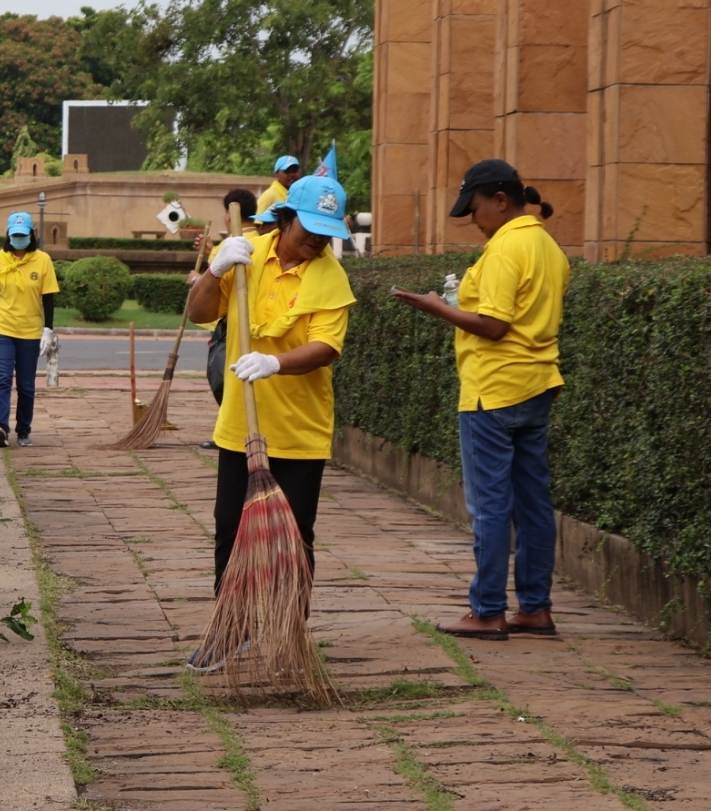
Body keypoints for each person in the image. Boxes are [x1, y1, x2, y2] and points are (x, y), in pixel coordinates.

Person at [392, 159, 569, 641]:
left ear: (501, 200)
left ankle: (488, 610)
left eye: (474, 209)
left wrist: (437, 308)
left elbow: (493, 325)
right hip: (537, 384)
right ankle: (535, 608)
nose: (473, 220)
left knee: (490, 506)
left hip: (492, 390)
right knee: (533, 503)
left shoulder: (506, 248)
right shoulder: (549, 247)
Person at [186, 174, 354, 593]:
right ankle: (232, 621)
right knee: (229, 528)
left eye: (326, 232)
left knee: (293, 537)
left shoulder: (331, 276)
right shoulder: (246, 254)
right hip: (241, 426)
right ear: (286, 219)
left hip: (299, 430)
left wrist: (273, 362)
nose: (317, 239)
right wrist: (215, 270)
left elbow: (325, 348)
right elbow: (199, 313)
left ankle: (288, 623)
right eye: (309, 228)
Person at [0, 211, 59, 448]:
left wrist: (48, 331)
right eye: (15, 235)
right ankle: (1, 427)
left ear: (31, 234)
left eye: (23, 235)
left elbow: (49, 298)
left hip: (30, 332)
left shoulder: (43, 260)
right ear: (8, 235)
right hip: (2, 328)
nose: (19, 239)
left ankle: (23, 430)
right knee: (2, 379)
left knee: (26, 385)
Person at [199, 188, 259, 450]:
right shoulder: (264, 240)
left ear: (228, 214)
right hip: (257, 322)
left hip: (228, 324)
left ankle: (230, 433)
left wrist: (197, 279)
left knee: (223, 379)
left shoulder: (229, 246)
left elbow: (211, 288)